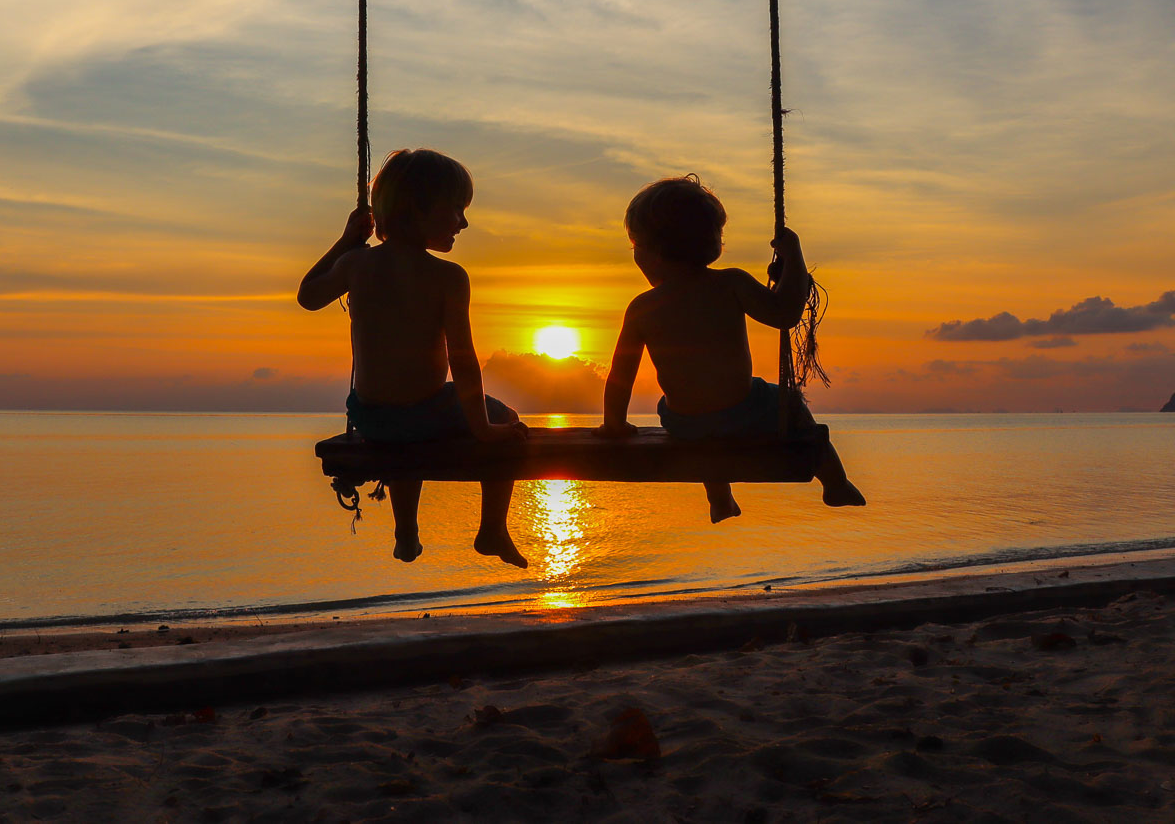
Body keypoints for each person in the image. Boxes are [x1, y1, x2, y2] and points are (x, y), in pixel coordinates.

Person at [298, 149, 529, 567]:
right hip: (427, 410)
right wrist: (484, 427)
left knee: (404, 440)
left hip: (373, 418)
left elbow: (308, 295)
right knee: (508, 420)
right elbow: (462, 359)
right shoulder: (448, 277)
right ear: (417, 209)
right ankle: (492, 530)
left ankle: (406, 532)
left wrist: (346, 242)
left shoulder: (356, 264)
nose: (464, 222)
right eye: (456, 209)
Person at [592, 174, 865, 521]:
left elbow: (620, 376)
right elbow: (786, 313)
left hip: (683, 422)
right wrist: (793, 255)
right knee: (790, 403)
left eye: (635, 247)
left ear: (653, 252)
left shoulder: (642, 307)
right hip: (743, 410)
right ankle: (835, 482)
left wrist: (613, 424)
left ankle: (719, 497)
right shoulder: (730, 283)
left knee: (706, 434)